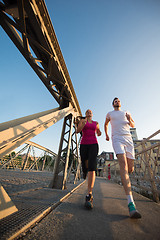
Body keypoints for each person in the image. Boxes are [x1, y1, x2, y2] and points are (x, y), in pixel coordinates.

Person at [104, 97, 141, 218]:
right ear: (113, 103)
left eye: (118, 101)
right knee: (123, 167)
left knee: (130, 169)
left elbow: (133, 124)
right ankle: (131, 204)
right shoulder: (110, 113)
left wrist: (130, 119)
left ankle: (127, 179)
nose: (117, 102)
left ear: (120, 103)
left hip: (128, 139)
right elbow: (105, 124)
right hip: (117, 139)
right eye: (115, 101)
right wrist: (106, 134)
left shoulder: (126, 112)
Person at [76, 109, 101, 209]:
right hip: (83, 145)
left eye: (90, 112)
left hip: (93, 145)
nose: (89, 113)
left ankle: (89, 194)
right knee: (85, 166)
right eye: (87, 112)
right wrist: (83, 123)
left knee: (92, 167)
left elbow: (99, 133)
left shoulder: (96, 123)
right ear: (85, 114)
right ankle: (85, 171)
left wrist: (99, 131)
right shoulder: (82, 121)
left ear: (92, 114)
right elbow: (78, 131)